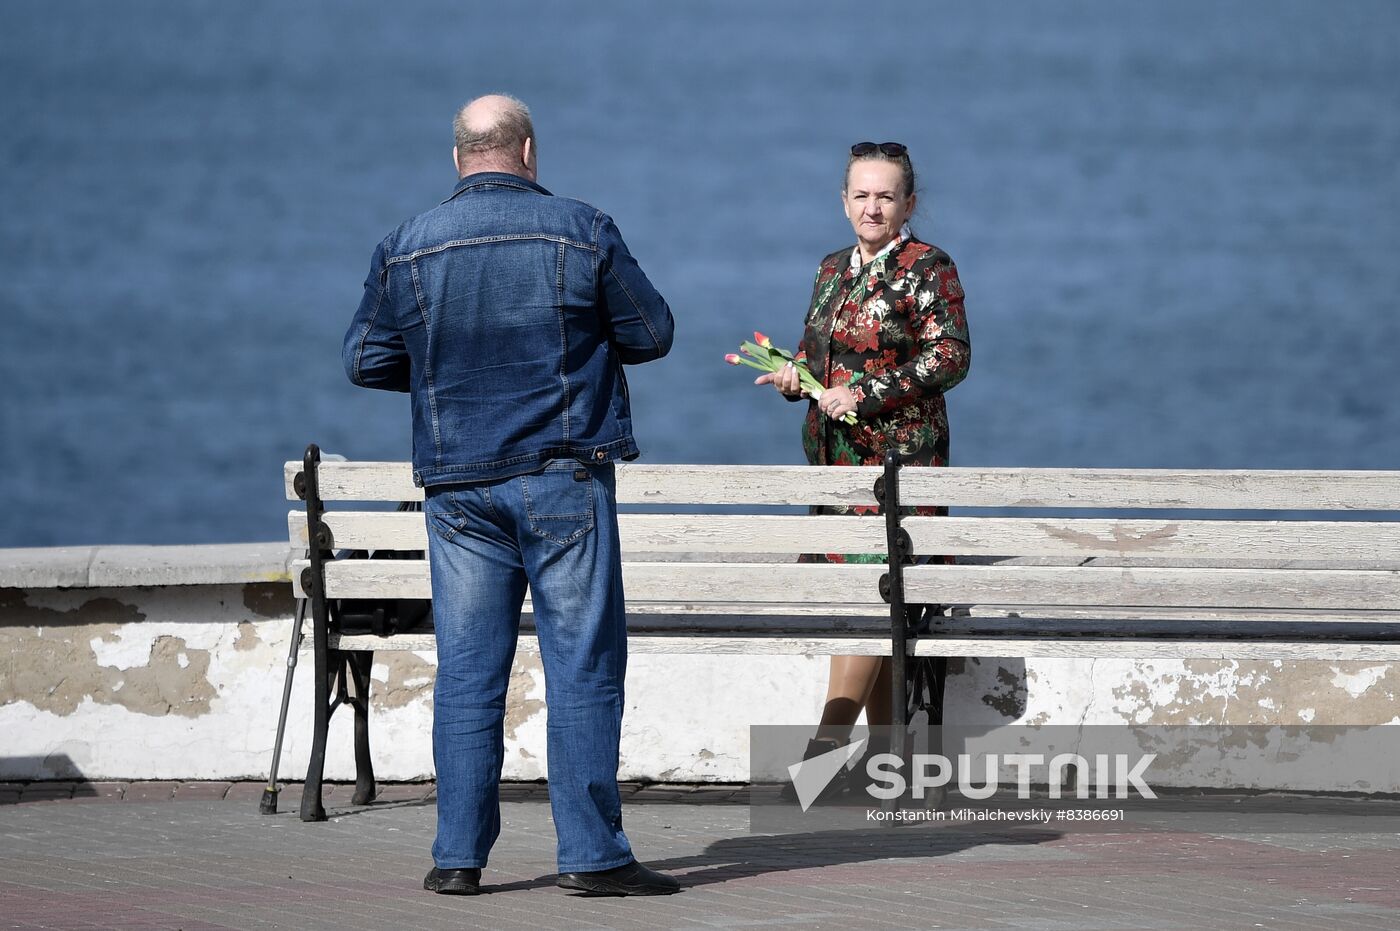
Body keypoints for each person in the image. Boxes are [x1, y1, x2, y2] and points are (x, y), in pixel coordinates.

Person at [343, 94, 679, 896]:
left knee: (466, 671)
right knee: (582, 666)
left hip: (459, 489)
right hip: (562, 476)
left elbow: (365, 359)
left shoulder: (405, 246)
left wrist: (443, 380)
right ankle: (593, 856)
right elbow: (652, 332)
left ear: (458, 155)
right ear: (527, 151)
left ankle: (457, 856)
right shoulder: (583, 227)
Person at [756, 141, 971, 781]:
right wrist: (795, 377)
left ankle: (820, 761)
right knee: (870, 616)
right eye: (861, 195)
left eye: (885, 195)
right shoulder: (831, 270)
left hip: (898, 476)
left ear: (908, 202)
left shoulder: (929, 267)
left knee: (871, 611)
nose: (872, 207)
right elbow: (816, 355)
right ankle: (886, 774)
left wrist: (867, 393)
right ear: (843, 200)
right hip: (835, 473)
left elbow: (951, 357)